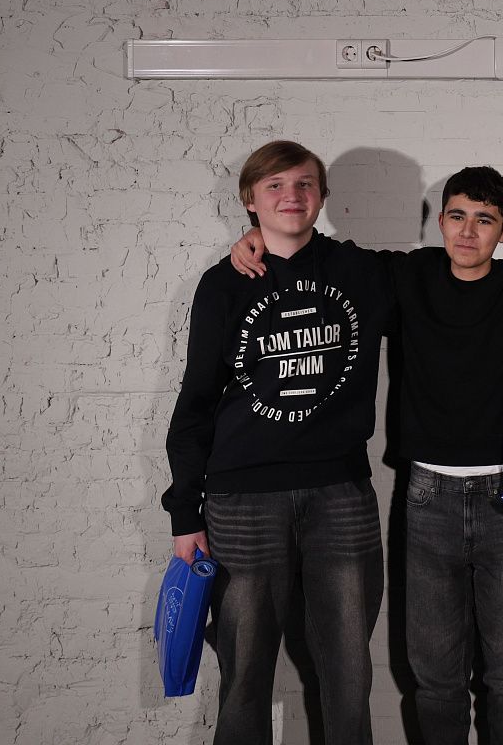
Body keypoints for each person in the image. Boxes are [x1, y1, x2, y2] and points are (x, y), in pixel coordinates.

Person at [231, 165, 503, 745]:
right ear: (440, 220)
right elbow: (320, 255)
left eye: (485, 220)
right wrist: (258, 234)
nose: (468, 232)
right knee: (435, 679)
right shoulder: (407, 274)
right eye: (457, 216)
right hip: (429, 498)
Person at [163, 140, 393, 745]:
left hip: (340, 494)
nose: (291, 195)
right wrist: (185, 512)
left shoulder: (360, 272)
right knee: (244, 674)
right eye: (275, 185)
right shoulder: (222, 285)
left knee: (349, 673)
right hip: (241, 501)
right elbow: (196, 401)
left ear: (322, 196)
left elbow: (460, 268)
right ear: (250, 199)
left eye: (304, 184)